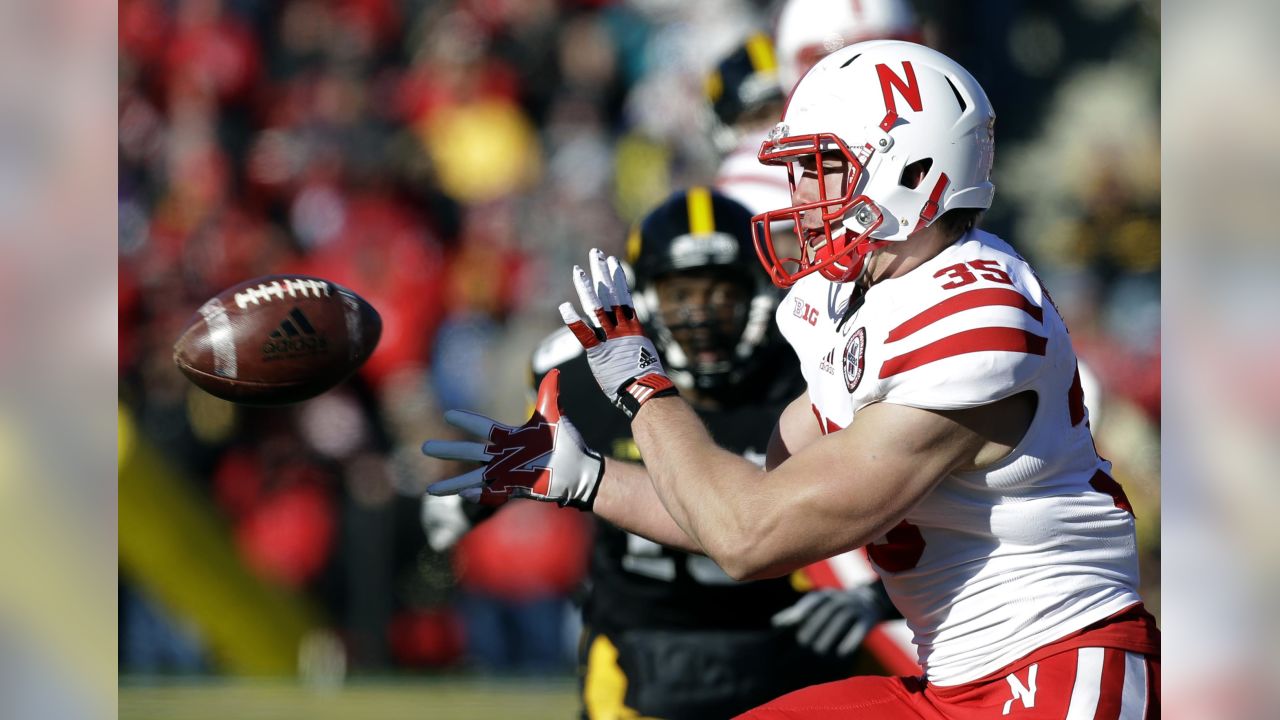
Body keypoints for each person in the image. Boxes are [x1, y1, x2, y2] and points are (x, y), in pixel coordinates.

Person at [426, 41, 1159, 718]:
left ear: (911, 169)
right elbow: (741, 499)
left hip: (1057, 675)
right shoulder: (859, 300)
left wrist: (641, 383)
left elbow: (754, 537)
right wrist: (582, 477)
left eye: (822, 167)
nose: (801, 195)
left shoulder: (976, 313)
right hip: (955, 681)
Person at [424, 187, 899, 718]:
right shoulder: (585, 377)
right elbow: (545, 455)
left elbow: (900, 497)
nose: (701, 313)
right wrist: (477, 494)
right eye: (681, 294)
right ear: (648, 298)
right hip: (640, 645)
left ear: (759, 293)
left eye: (720, 291)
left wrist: (875, 597)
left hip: (792, 636)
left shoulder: (811, 374)